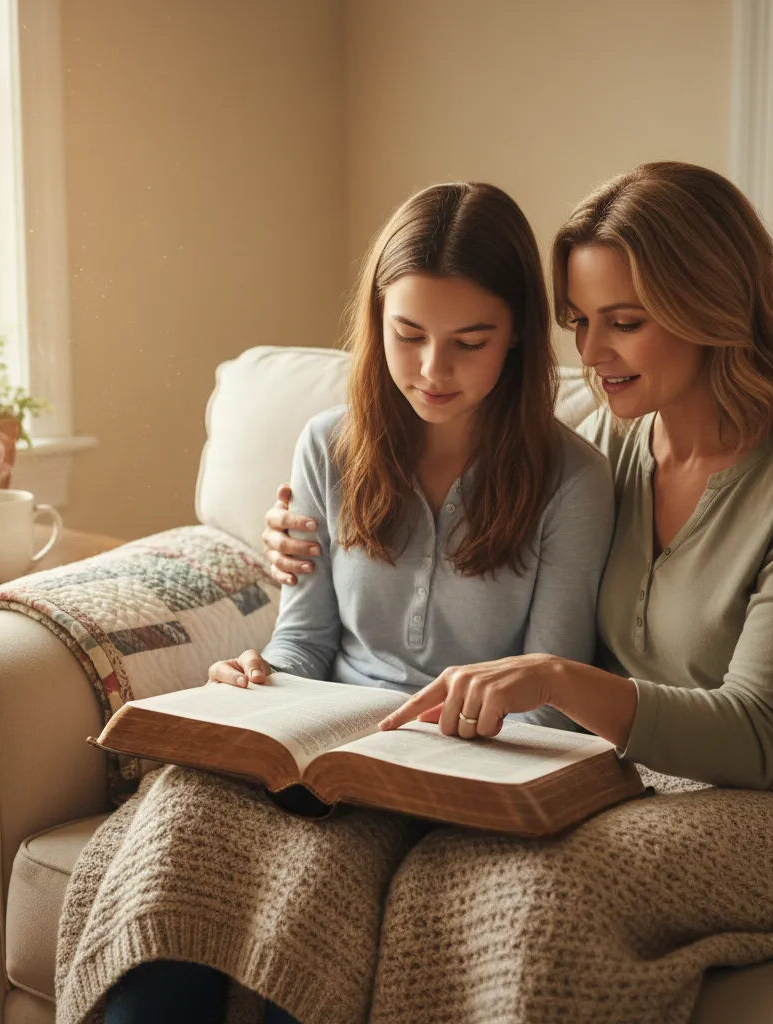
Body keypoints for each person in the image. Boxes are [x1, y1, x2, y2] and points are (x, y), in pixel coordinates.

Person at [105, 180, 615, 1024]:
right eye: (407, 335)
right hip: (326, 746)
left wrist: (429, 751)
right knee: (178, 842)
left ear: (519, 333)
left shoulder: (574, 479)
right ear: (376, 324)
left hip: (464, 771)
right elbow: (305, 643)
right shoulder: (327, 445)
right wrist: (260, 676)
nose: (431, 370)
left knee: (308, 912)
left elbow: (552, 713)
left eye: (469, 341)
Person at [265, 160, 773, 789]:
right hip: (626, 772)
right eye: (579, 322)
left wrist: (555, 679)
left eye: (624, 323)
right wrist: (295, 537)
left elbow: (762, 739)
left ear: (712, 307)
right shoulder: (609, 446)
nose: (591, 355)